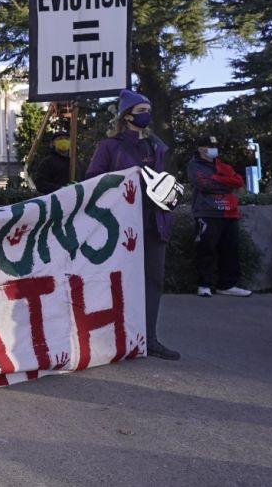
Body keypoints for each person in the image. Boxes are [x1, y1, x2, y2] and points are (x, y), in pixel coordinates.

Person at [86, 89, 180, 361]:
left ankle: (149, 340)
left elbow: (164, 179)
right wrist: (126, 181)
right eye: (141, 111)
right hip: (123, 224)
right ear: (126, 116)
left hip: (155, 221)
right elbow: (93, 180)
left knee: (153, 281)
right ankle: (111, 340)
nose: (147, 115)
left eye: (148, 110)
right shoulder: (110, 146)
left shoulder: (156, 146)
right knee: (117, 282)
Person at [187, 135, 252, 298]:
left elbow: (238, 181)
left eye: (215, 145)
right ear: (201, 148)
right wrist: (226, 184)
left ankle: (227, 284)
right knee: (206, 248)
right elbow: (204, 184)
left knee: (230, 248)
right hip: (207, 212)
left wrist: (220, 181)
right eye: (209, 146)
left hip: (229, 211)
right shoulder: (195, 165)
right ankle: (204, 285)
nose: (214, 149)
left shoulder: (222, 165)